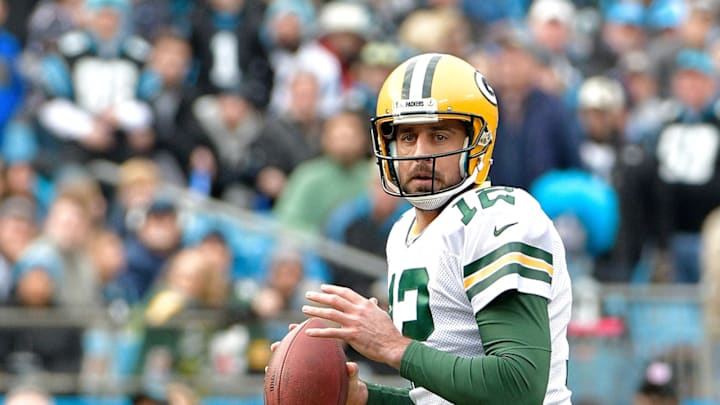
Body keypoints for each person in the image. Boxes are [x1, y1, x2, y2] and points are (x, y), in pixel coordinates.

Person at [295, 53, 573, 404]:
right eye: (407, 136)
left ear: (479, 141)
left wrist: (393, 346)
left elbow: (519, 386)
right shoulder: (402, 232)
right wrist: (361, 398)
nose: (420, 153)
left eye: (439, 136)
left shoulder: (499, 216)